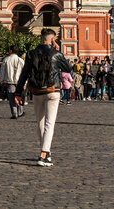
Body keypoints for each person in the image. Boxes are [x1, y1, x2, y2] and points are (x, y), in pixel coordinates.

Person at [17, 29, 72, 167]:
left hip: (36, 91)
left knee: (40, 122)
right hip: (53, 90)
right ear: (53, 39)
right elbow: (68, 68)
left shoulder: (30, 54)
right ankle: (44, 153)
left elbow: (24, 74)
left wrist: (18, 93)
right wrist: (59, 52)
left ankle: (45, 151)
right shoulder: (56, 54)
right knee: (49, 123)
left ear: (41, 38)